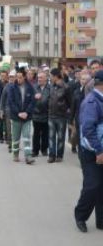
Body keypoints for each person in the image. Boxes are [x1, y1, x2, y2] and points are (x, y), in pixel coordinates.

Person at [74, 70, 103, 233]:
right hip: (92, 152)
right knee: (92, 186)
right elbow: (88, 131)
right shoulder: (92, 102)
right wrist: (99, 152)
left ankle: (101, 220)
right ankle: (80, 216)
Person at [7, 68, 36, 164]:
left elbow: (32, 102)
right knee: (15, 138)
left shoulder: (30, 87)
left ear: (24, 77)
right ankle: (15, 154)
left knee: (27, 137)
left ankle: (28, 156)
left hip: (26, 117)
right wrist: (18, 113)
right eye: (17, 77)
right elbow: (11, 102)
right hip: (16, 117)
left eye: (20, 77)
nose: (18, 79)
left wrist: (26, 112)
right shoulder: (12, 88)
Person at [47, 68, 72, 163]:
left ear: (56, 76)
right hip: (51, 116)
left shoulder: (66, 87)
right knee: (51, 136)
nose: (50, 77)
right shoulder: (51, 86)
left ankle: (59, 155)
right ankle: (51, 155)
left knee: (61, 137)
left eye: (51, 76)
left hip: (61, 116)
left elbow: (70, 103)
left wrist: (67, 113)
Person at [70, 72, 91, 154]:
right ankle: (80, 153)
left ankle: (85, 152)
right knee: (79, 136)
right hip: (78, 117)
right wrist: (71, 119)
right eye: (82, 79)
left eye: (85, 79)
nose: (83, 81)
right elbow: (73, 106)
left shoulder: (90, 91)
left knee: (86, 136)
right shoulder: (76, 91)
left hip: (88, 117)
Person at [32, 71, 50, 157]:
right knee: (36, 133)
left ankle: (44, 149)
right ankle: (35, 150)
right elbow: (29, 99)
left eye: (41, 77)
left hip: (46, 114)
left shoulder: (50, 88)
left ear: (46, 78)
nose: (39, 79)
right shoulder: (34, 87)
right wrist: (34, 97)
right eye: (38, 77)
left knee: (45, 133)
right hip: (36, 114)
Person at [0, 69, 16, 153]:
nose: (11, 78)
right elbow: (2, 100)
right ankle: (10, 145)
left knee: (16, 129)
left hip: (17, 111)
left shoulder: (18, 86)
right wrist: (1, 111)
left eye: (12, 77)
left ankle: (15, 144)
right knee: (9, 129)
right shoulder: (6, 87)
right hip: (8, 111)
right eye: (10, 77)